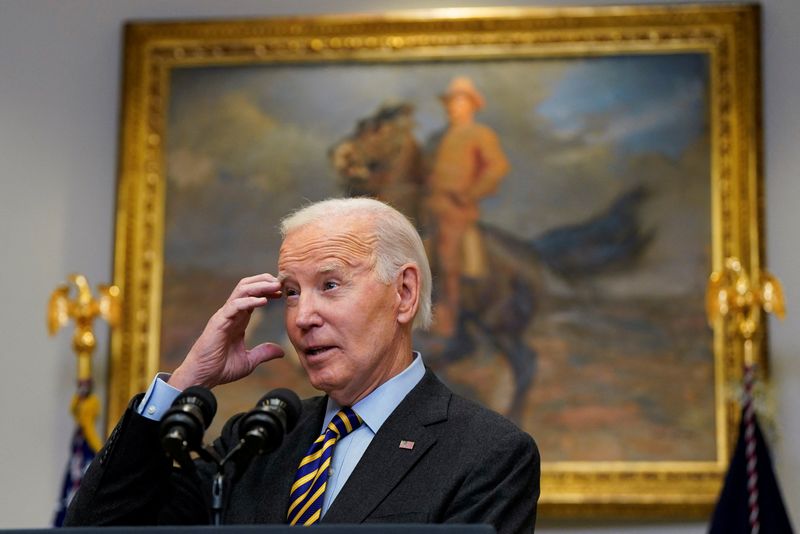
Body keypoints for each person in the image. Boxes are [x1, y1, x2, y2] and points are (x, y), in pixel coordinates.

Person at [65, 197, 539, 533]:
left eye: (330, 285)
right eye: (291, 292)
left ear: (404, 293)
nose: (303, 317)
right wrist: (188, 380)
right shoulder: (253, 443)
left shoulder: (488, 454)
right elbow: (98, 527)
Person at [426, 76, 510, 337]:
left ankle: (449, 315)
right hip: (430, 205)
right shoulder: (439, 138)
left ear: (471, 105)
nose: (453, 107)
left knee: (446, 251)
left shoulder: (480, 134)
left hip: (456, 209)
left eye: (459, 102)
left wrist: (470, 193)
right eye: (451, 102)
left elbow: (497, 167)